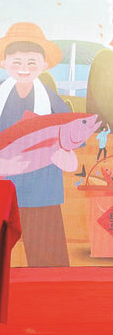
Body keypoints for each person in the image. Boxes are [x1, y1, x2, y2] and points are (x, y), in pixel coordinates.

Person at [0, 22, 70, 267]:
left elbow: (70, 132)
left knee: (48, 259)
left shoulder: (50, 98)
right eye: (17, 62)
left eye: (31, 62)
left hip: (42, 187)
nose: (24, 68)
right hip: (3, 182)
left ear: (44, 64)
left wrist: (64, 152)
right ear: (4, 62)